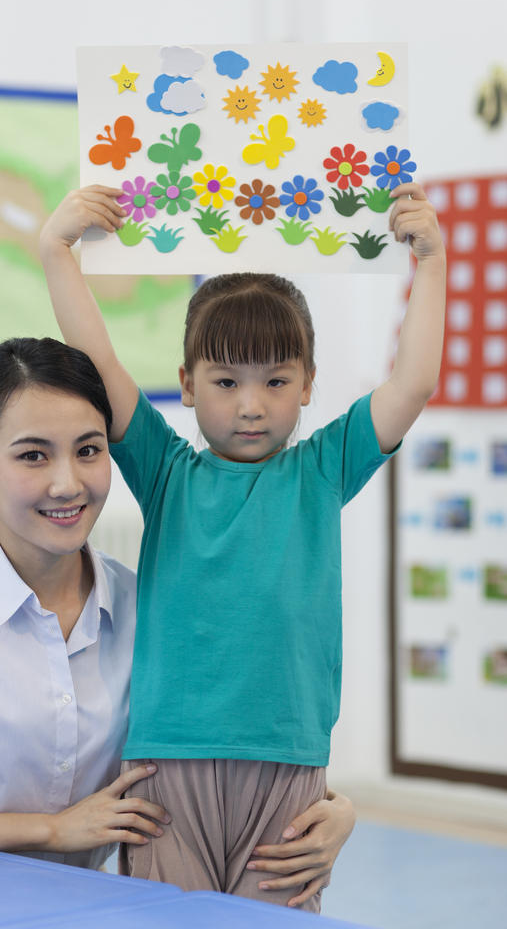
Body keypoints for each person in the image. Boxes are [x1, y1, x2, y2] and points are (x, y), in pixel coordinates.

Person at [40, 182, 446, 910]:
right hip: (167, 766)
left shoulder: (322, 468)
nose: (251, 403)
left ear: (307, 386)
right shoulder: (164, 470)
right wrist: (56, 251)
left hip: (286, 761)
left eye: (275, 381)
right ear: (187, 385)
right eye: (226, 381)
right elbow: (97, 357)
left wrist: (433, 261)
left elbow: (412, 383)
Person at [0, 336, 355, 892]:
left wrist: (336, 809)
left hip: (98, 905)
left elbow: (229, 740)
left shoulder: (146, 607)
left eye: (88, 450)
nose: (68, 483)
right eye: (33, 455)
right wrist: (52, 831)